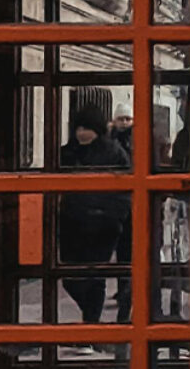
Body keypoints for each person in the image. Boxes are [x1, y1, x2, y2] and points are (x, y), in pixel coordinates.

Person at [58, 105, 131, 324]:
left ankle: (90, 327)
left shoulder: (114, 152)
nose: (81, 132)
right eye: (78, 127)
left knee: (95, 277)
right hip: (72, 223)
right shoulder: (66, 152)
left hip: (103, 225)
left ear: (97, 129)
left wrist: (113, 216)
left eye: (87, 128)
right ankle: (91, 325)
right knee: (69, 278)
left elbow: (124, 190)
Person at [110, 102, 134, 323]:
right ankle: (123, 289)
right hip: (116, 207)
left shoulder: (139, 140)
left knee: (131, 251)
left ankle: (129, 290)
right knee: (121, 252)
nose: (125, 122)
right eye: (121, 119)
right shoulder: (109, 143)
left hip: (134, 205)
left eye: (128, 119)